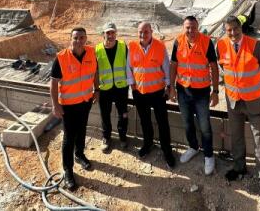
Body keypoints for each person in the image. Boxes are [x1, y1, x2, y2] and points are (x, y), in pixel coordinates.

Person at [217, 15, 260, 209]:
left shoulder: (255, 45)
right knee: (237, 138)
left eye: (235, 29)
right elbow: (223, 68)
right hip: (233, 100)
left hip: (254, 102)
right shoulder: (221, 45)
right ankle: (239, 167)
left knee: (259, 143)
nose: (233, 33)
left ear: (241, 28)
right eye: (229, 30)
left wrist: (249, 84)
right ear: (225, 31)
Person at [50, 27, 99, 191]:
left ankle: (80, 154)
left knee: (82, 130)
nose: (78, 41)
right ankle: (68, 170)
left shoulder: (91, 53)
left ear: (86, 39)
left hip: (85, 102)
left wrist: (97, 90)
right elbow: (54, 83)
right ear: (70, 39)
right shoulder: (61, 58)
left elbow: (95, 72)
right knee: (69, 137)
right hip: (68, 105)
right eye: (75, 38)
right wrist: (55, 105)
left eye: (81, 38)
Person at [169, 16, 219, 175]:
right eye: (187, 28)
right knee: (187, 123)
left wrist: (215, 91)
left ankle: (209, 155)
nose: (190, 31)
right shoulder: (178, 41)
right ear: (184, 28)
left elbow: (214, 67)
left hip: (202, 92)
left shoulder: (206, 42)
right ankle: (193, 147)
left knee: (204, 126)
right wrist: (171, 88)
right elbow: (174, 66)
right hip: (183, 90)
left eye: (193, 28)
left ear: (198, 28)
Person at [127, 21, 176, 168]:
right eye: (140, 32)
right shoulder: (133, 46)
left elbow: (166, 68)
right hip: (140, 92)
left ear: (151, 32)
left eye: (146, 32)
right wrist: (132, 84)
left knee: (162, 122)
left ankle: (167, 150)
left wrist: (168, 86)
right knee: (144, 120)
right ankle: (147, 144)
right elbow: (128, 67)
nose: (143, 35)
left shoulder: (160, 46)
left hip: (158, 92)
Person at [95, 22, 129, 153]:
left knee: (123, 114)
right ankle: (106, 137)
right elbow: (95, 72)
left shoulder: (122, 46)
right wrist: (96, 89)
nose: (110, 35)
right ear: (103, 34)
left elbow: (129, 66)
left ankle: (122, 136)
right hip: (105, 88)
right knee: (105, 115)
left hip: (121, 87)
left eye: (113, 32)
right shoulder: (97, 49)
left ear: (116, 33)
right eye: (108, 32)